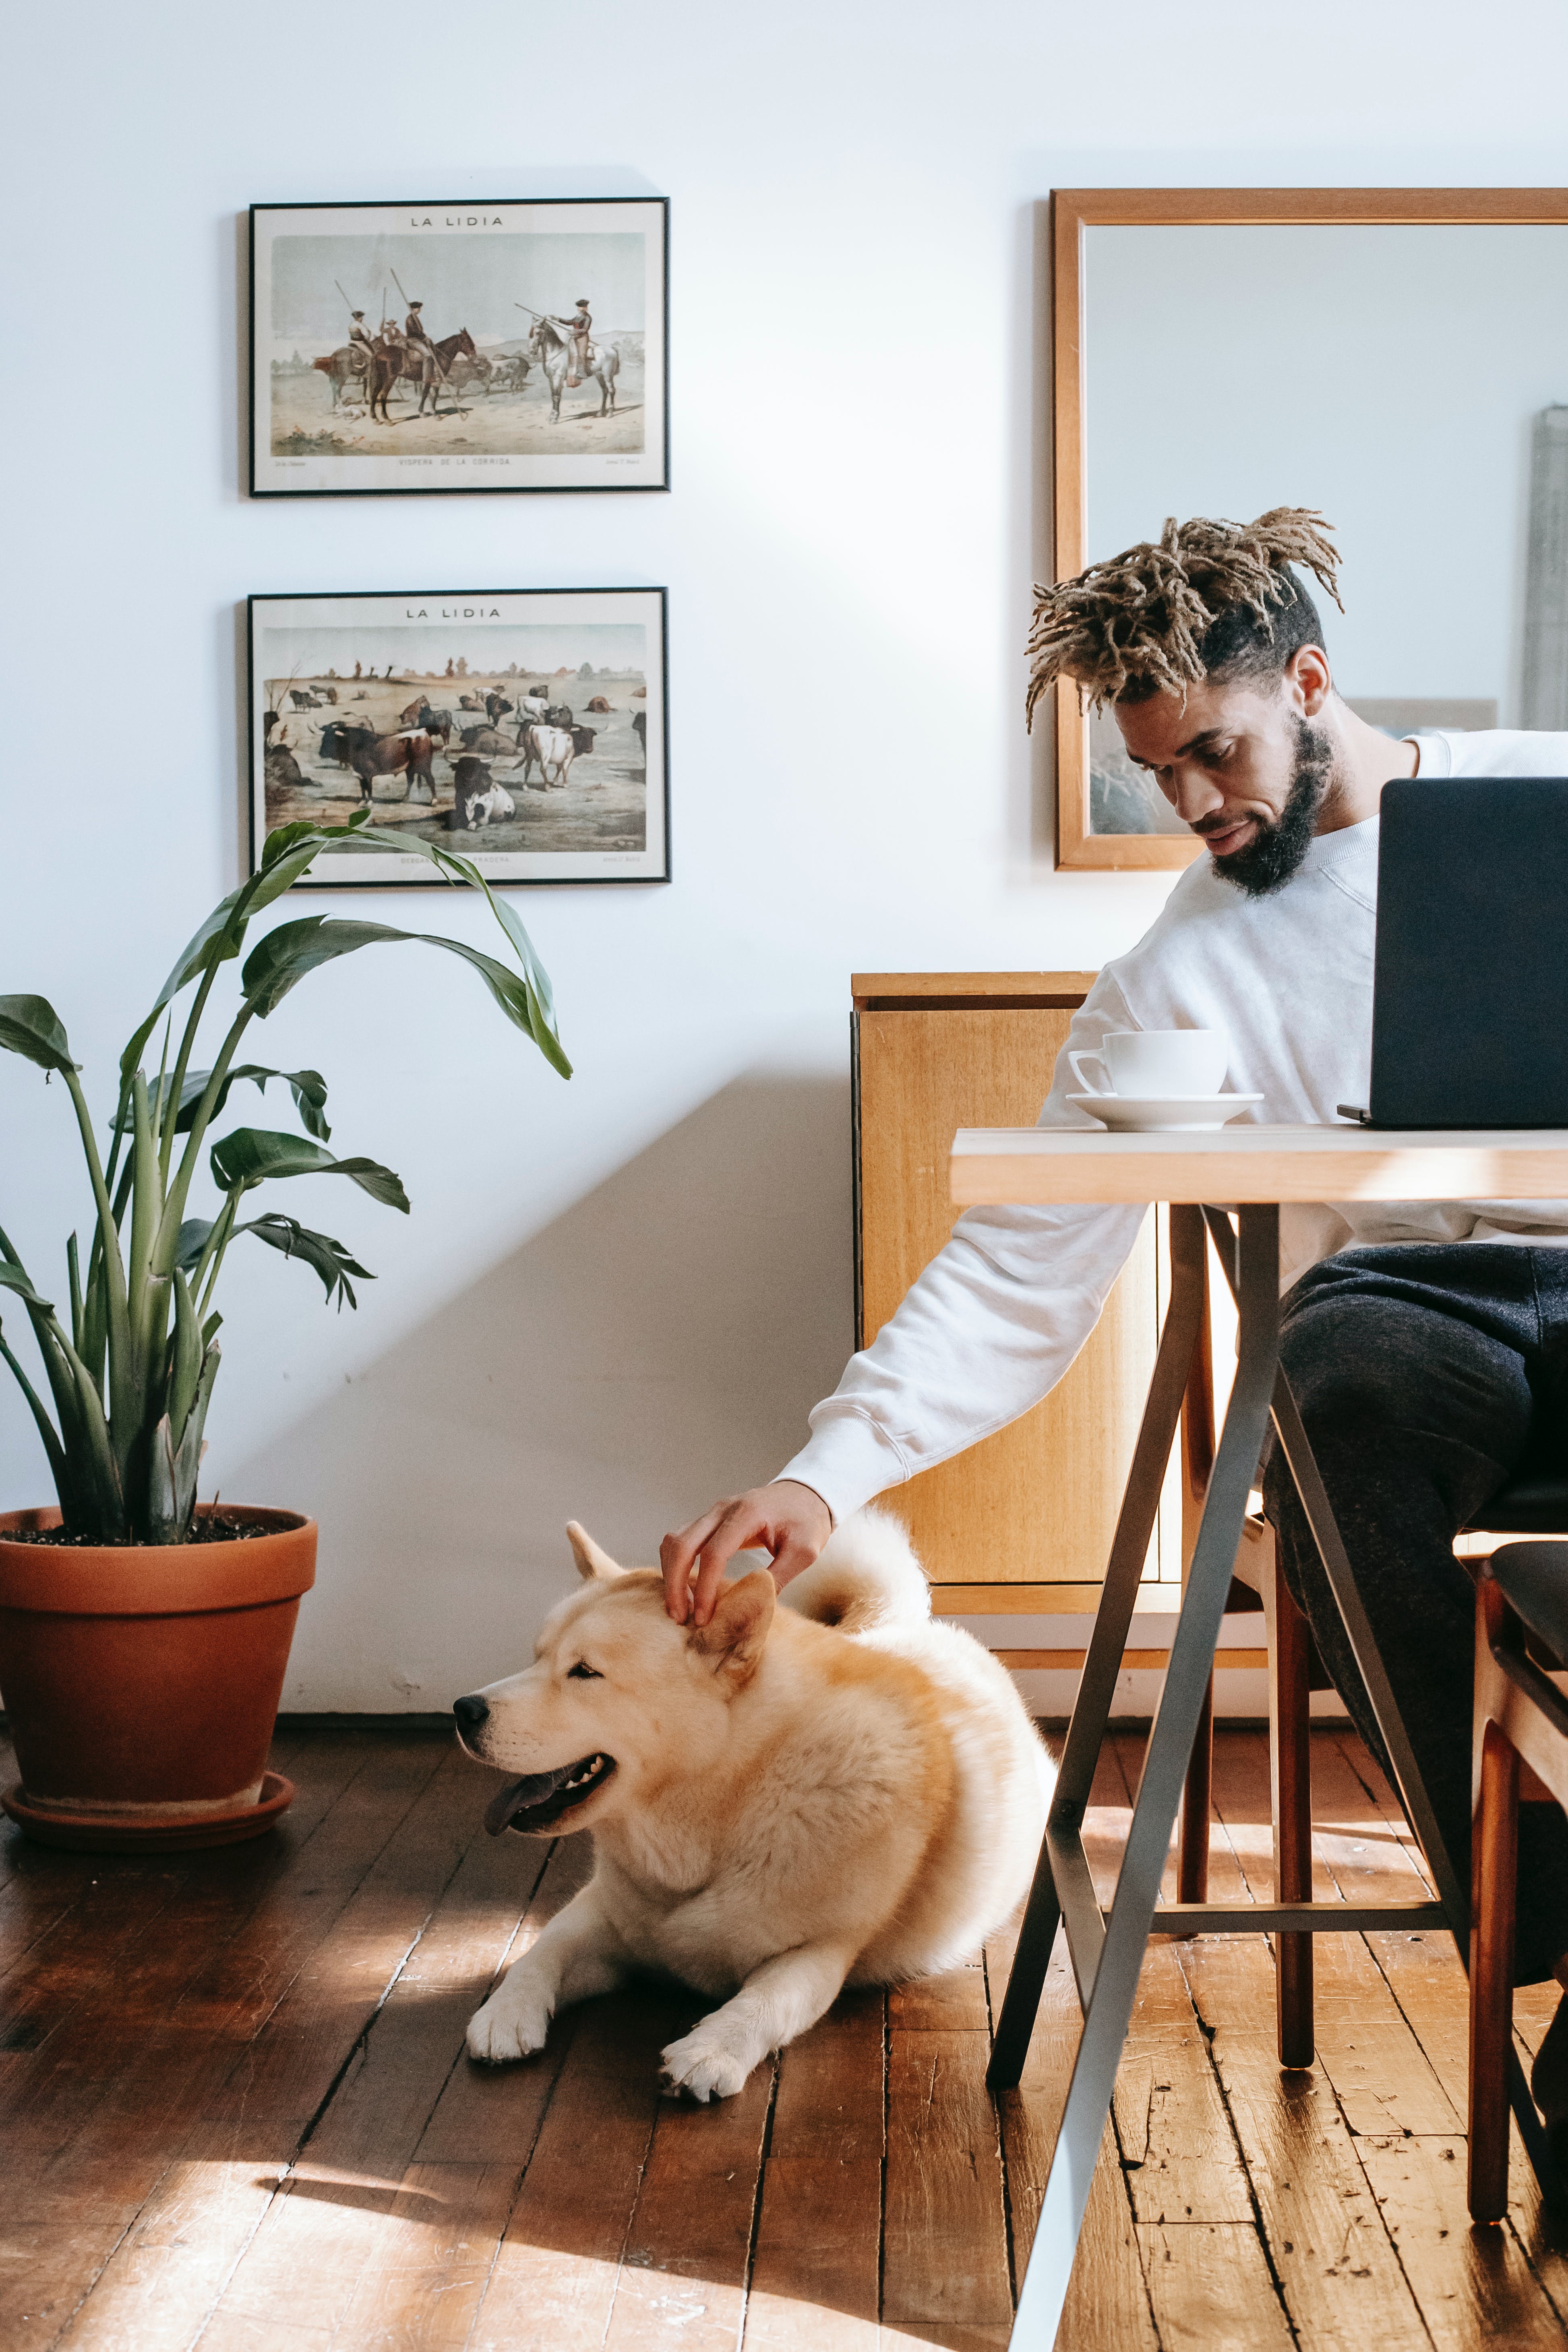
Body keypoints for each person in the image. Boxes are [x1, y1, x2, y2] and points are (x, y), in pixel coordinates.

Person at [660, 504, 1568, 2154]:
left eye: (1215, 752)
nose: (1194, 805)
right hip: (1412, 1311)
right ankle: (1554, 1914)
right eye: (1159, 774)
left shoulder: (1545, 794)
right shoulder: (1173, 978)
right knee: (1330, 1392)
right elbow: (1020, 1269)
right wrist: (823, 1472)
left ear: (1308, 683)